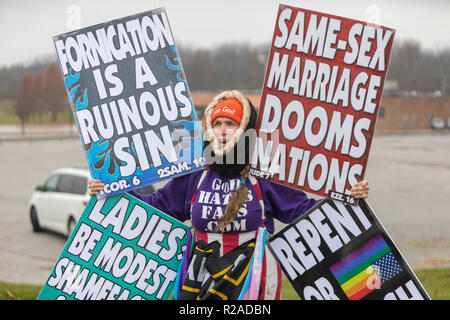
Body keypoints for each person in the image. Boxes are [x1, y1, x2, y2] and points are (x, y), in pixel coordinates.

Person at [89, 90, 369, 299]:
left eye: (231, 123)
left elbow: (304, 210)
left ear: (245, 129)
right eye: (217, 122)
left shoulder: (264, 173)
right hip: (198, 282)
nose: (223, 130)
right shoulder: (195, 173)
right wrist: (112, 190)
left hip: (252, 285)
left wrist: (347, 197)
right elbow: (159, 205)